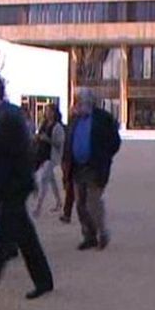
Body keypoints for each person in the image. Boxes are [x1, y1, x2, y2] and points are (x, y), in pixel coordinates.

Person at [0, 72, 54, 308]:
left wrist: (19, 185)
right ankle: (44, 280)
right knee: (26, 237)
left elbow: (19, 155)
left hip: (11, 189)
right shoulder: (3, 113)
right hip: (11, 187)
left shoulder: (6, 117)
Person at [62, 87, 121, 251]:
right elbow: (68, 141)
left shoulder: (103, 118)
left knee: (93, 202)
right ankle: (89, 236)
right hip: (77, 167)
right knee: (80, 204)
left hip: (95, 167)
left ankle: (103, 233)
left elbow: (115, 141)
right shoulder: (74, 119)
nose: (77, 105)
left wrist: (105, 156)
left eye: (79, 101)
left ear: (88, 102)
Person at [33, 104, 65, 217]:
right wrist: (37, 138)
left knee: (43, 180)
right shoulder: (44, 124)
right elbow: (38, 136)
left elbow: (59, 143)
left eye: (49, 111)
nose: (47, 113)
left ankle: (38, 207)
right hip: (42, 155)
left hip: (51, 157)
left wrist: (48, 140)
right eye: (46, 111)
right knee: (51, 180)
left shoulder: (58, 127)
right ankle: (59, 202)